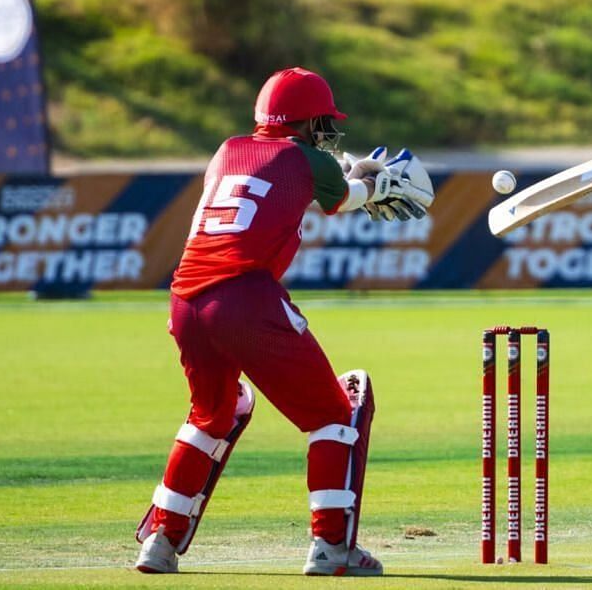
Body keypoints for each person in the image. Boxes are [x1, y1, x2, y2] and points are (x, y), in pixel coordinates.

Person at [133, 67, 434, 576]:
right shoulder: (307, 157)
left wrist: (352, 172)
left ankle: (160, 542)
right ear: (305, 120)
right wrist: (378, 182)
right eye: (322, 121)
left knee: (214, 413)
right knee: (337, 413)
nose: (327, 131)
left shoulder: (228, 150)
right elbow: (343, 196)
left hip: (185, 299)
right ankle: (332, 548)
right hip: (245, 297)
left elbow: (291, 175)